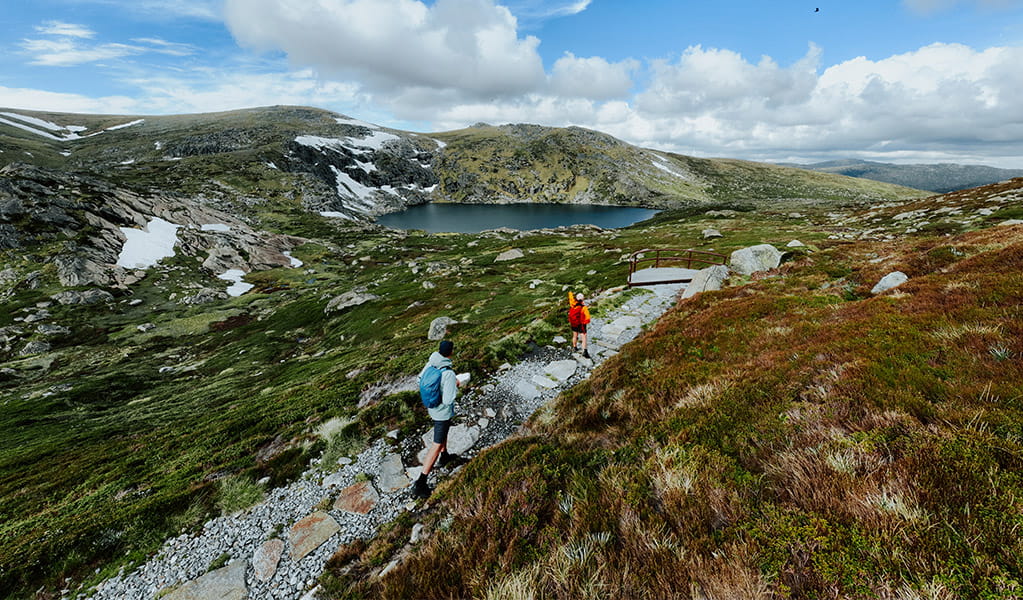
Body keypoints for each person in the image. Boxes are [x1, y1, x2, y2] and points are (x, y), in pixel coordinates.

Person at [412, 340, 464, 499]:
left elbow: (419, 380)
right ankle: (421, 482)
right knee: (436, 444)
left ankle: (445, 455)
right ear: (451, 352)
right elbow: (448, 400)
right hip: (442, 413)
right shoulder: (448, 373)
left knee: (443, 434)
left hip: (432, 408)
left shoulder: (431, 362)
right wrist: (456, 384)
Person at [567, 291, 591, 358]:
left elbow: (571, 298)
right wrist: (586, 322)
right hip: (581, 324)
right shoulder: (584, 307)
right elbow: (588, 317)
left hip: (574, 323)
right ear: (583, 299)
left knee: (575, 335)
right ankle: (585, 351)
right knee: (584, 337)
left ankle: (575, 347)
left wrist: (570, 293)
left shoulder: (572, 304)